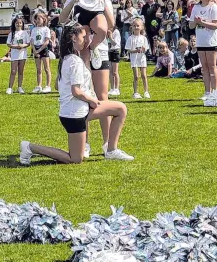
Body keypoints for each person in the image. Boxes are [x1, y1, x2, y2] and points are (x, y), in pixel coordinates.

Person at [20, 24, 134, 165]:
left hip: (72, 111)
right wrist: (92, 100)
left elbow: (58, 85)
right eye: (83, 37)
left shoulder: (66, 59)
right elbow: (76, 91)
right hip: (75, 114)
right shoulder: (74, 61)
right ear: (73, 38)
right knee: (75, 159)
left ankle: (111, 150)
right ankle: (30, 147)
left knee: (120, 108)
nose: (86, 40)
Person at [189, 0, 217, 103]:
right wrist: (196, 22)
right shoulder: (196, 7)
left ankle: (215, 91)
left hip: (211, 41)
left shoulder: (213, 7)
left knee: (212, 66)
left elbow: (215, 25)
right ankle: (207, 91)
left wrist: (203, 22)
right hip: (200, 41)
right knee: (204, 67)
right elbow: (191, 24)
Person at [126, 18, 150, 99]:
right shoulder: (130, 38)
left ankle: (146, 91)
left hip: (142, 58)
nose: (136, 27)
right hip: (134, 59)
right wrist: (135, 50)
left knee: (144, 75)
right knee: (136, 76)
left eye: (138, 26)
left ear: (141, 27)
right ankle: (136, 92)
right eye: (134, 26)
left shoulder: (143, 38)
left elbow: (146, 48)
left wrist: (143, 49)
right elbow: (128, 50)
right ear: (132, 27)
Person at [5, 14, 30, 94]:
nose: (18, 24)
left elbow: (28, 43)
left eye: (20, 23)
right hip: (15, 54)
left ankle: (19, 87)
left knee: (21, 71)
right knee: (13, 71)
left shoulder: (25, 33)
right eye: (17, 23)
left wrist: (22, 46)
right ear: (14, 24)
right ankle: (10, 87)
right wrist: (16, 46)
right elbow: (8, 44)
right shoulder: (11, 33)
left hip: (22, 54)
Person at [31, 11, 54, 93]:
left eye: (39, 19)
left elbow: (47, 41)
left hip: (43, 49)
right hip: (36, 49)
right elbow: (32, 41)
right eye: (36, 19)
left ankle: (48, 86)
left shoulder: (46, 29)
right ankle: (39, 85)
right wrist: (34, 50)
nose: (37, 20)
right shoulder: (34, 29)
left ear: (43, 20)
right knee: (38, 69)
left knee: (47, 68)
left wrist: (39, 50)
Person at [106, 25, 123, 97]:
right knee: (110, 71)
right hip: (109, 51)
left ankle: (117, 88)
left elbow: (115, 43)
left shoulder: (116, 32)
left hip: (115, 51)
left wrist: (110, 37)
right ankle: (112, 88)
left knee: (115, 71)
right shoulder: (106, 32)